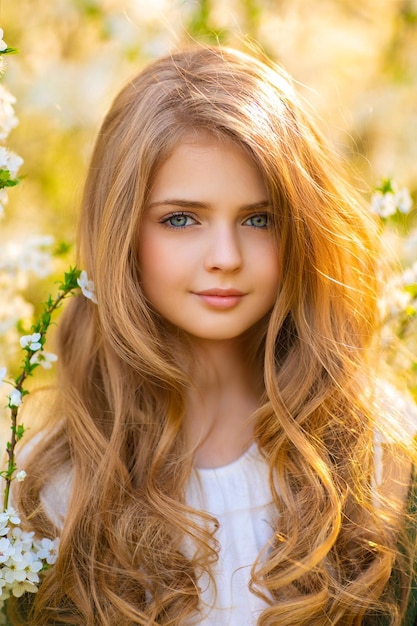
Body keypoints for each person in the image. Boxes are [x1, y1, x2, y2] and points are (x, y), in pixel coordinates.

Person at [12, 45, 417, 625]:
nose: (225, 257)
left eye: (260, 218)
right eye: (182, 219)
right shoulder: (48, 490)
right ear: (121, 231)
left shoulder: (381, 459)